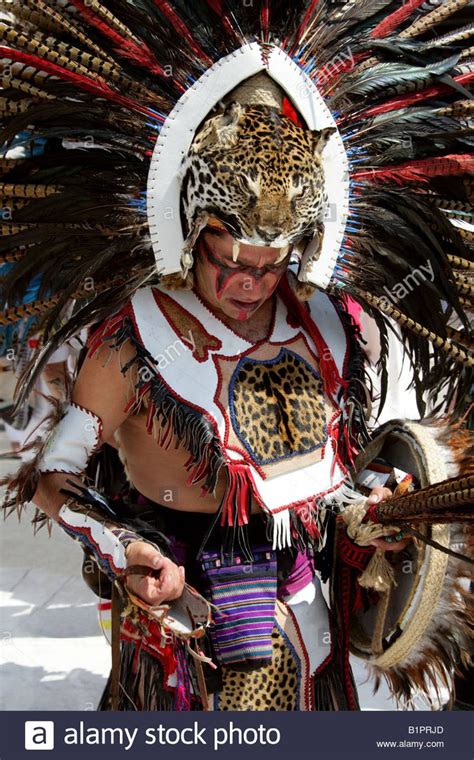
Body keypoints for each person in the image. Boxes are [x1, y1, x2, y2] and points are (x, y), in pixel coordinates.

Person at [1, 0, 471, 711]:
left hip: (311, 622)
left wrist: (373, 509)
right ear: (194, 230)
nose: (248, 284)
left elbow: (330, 476)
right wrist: (126, 548)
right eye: (229, 260)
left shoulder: (335, 327)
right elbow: (53, 472)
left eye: (271, 265)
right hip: (188, 617)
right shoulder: (132, 339)